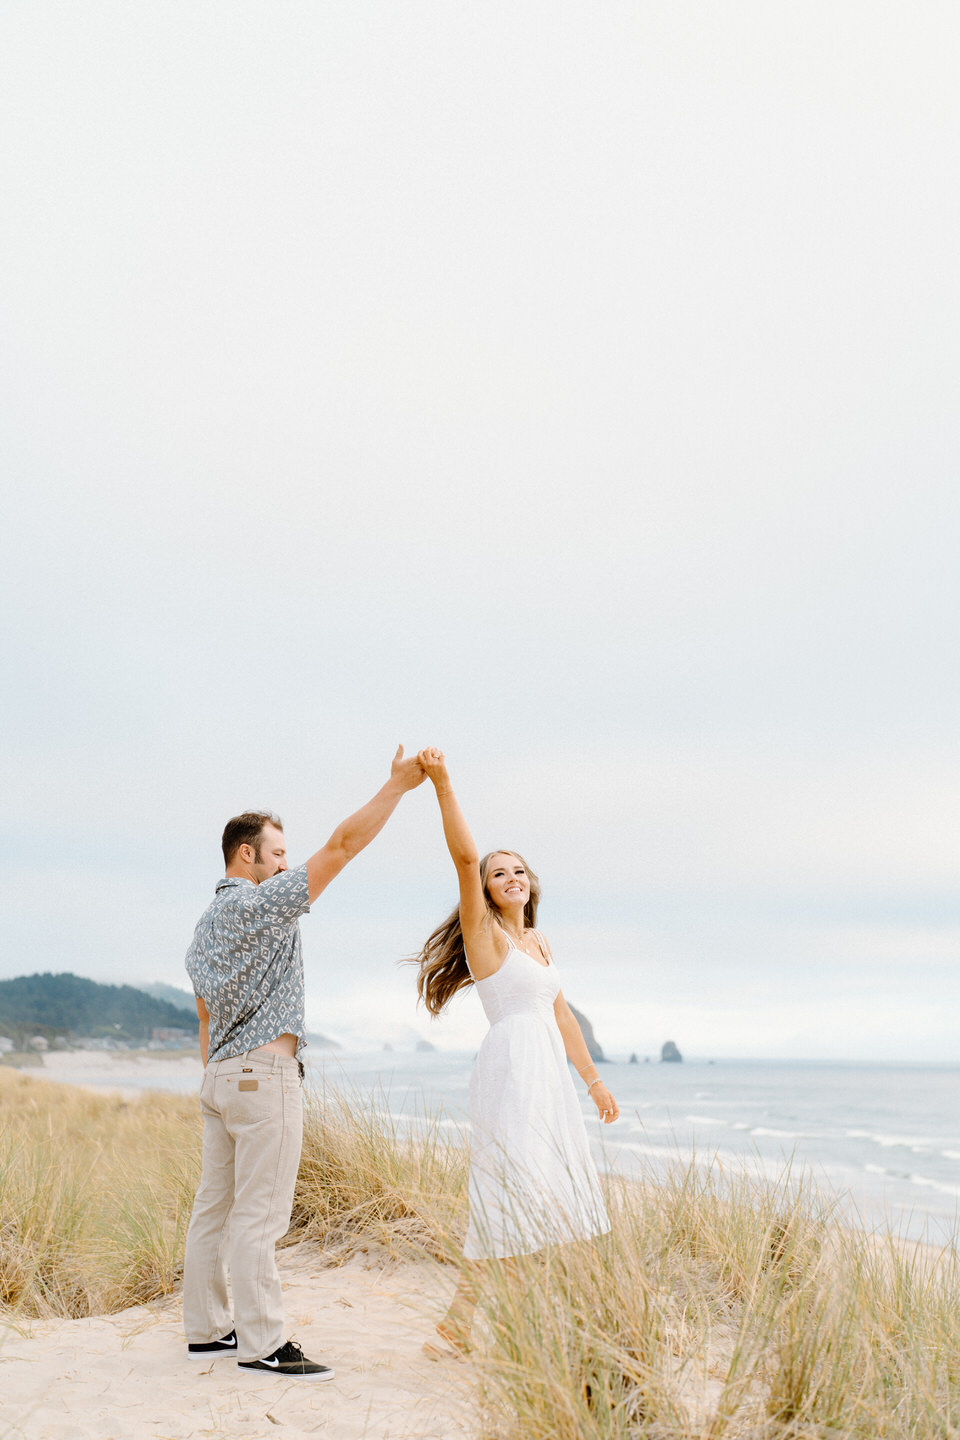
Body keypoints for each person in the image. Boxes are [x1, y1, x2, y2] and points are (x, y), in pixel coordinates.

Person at [183, 745, 426, 1380]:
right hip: (263, 1079)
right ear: (247, 856)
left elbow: (205, 1014)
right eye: (280, 854)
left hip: (219, 1078)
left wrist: (214, 1075)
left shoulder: (204, 926)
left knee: (214, 1208)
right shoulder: (256, 905)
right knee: (260, 1216)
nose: (287, 865)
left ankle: (207, 1329)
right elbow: (343, 846)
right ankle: (263, 1344)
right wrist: (396, 786)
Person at [411, 747, 619, 1354]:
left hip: (549, 1075)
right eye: (498, 873)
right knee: (515, 1191)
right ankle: (518, 1323)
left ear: (531, 882)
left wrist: (594, 1081)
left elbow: (561, 1015)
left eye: (518, 870)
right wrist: (443, 784)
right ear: (485, 888)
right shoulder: (485, 937)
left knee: (555, 1190)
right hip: (510, 1072)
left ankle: (461, 1324)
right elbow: (464, 855)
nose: (509, 878)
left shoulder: (538, 940)